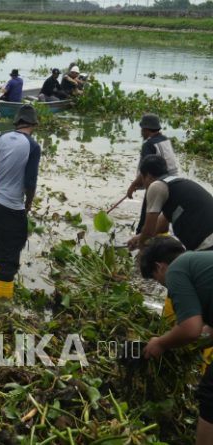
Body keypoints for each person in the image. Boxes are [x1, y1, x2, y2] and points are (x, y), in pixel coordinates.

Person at [140, 237, 213, 445]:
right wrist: (194, 342)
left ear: (159, 267)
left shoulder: (176, 269)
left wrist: (161, 343)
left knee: (210, 392)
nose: (164, 286)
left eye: (156, 280)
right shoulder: (200, 264)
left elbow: (190, 328)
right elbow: (205, 331)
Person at [0, 105, 41, 299]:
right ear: (34, 125)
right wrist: (28, 203)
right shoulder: (33, 146)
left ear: (17, 123)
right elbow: (30, 182)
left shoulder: (1, 138)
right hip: (11, 207)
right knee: (10, 257)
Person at [127, 155, 213, 251]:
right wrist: (139, 237)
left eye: (142, 180)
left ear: (147, 176)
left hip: (207, 246)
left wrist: (141, 250)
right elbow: (161, 226)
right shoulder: (176, 185)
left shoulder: (156, 186)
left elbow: (149, 231)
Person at [127, 113, 180, 234]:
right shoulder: (164, 140)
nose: (141, 133)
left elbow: (146, 170)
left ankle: (141, 242)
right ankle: (160, 241)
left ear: (145, 129)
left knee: (145, 220)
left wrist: (132, 186)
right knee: (164, 216)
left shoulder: (148, 145)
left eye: (142, 130)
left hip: (158, 184)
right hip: (173, 182)